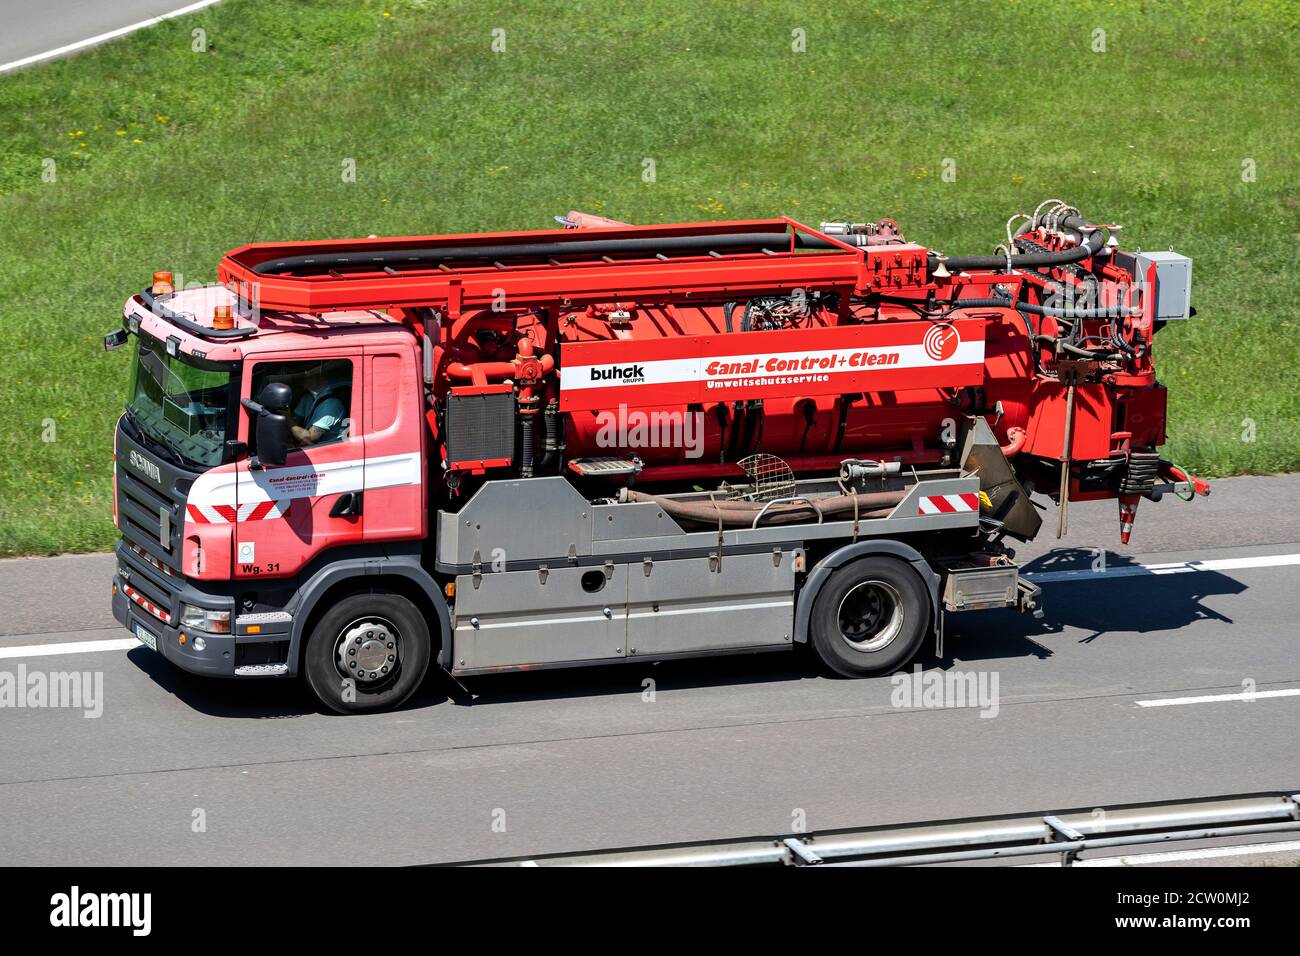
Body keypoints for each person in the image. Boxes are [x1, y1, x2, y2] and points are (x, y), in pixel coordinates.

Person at [290, 365, 348, 446]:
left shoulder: (332, 404)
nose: (304, 377)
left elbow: (310, 437)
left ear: (322, 379)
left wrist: (287, 418)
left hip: (328, 451)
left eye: (309, 375)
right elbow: (296, 419)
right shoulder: (308, 397)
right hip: (310, 447)